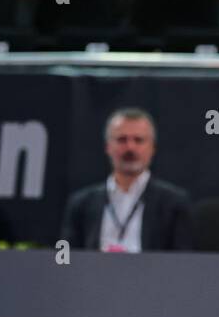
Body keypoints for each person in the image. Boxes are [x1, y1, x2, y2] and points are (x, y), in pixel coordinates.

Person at [60, 107, 193, 252]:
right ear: (108, 146)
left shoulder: (173, 203)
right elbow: (69, 258)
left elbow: (182, 261)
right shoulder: (82, 203)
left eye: (138, 140)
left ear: (152, 148)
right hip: (95, 273)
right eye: (122, 139)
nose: (130, 147)